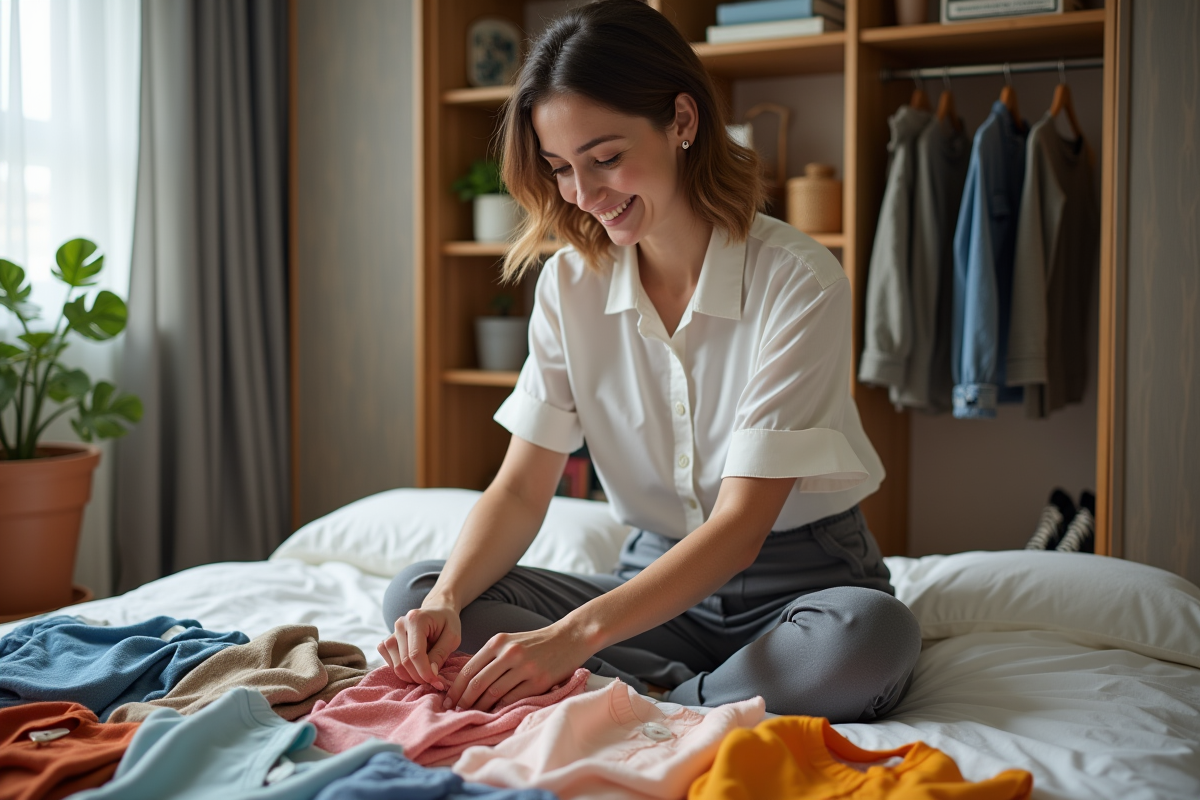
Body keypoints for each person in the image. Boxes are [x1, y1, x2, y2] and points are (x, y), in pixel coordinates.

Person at [379, 0, 920, 721]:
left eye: (605, 158)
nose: (584, 195)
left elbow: (739, 529)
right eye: (561, 169)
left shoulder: (798, 279)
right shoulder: (569, 285)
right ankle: (699, 693)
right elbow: (519, 489)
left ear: (683, 123)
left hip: (800, 586)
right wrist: (447, 599)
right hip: (648, 594)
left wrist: (569, 642)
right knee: (418, 595)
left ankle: (646, 695)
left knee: (866, 642)